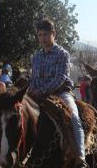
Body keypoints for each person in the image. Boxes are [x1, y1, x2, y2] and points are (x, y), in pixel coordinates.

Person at [28, 19, 87, 168]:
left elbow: (60, 78)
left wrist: (41, 91)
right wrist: (32, 92)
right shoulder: (36, 57)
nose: (43, 38)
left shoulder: (62, 54)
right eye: (40, 35)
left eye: (46, 34)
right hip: (38, 95)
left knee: (74, 118)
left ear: (53, 34)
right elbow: (34, 78)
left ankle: (80, 157)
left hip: (60, 93)